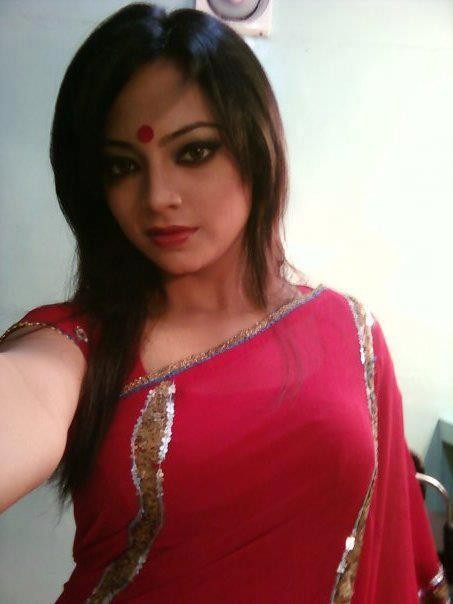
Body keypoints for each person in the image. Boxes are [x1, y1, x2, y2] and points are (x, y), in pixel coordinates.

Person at [0, 3, 449, 602]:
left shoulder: (350, 331)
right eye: (123, 166)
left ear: (256, 146)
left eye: (193, 152)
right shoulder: (77, 344)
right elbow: (25, 395)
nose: (158, 196)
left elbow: (393, 546)